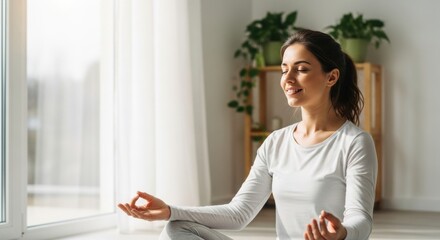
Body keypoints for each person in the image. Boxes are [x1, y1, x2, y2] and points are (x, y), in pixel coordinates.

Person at [118, 29, 378, 240]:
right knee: (177, 229)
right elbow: (238, 213)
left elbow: (360, 220)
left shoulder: (354, 142)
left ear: (331, 77)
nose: (287, 78)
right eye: (284, 68)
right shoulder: (276, 142)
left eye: (301, 69)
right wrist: (169, 211)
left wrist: (342, 233)